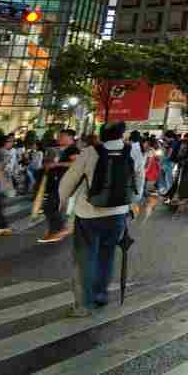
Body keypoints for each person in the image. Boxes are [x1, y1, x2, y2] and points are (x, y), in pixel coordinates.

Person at [56, 121, 144, 317]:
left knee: (84, 259)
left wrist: (63, 201)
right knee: (107, 255)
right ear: (122, 134)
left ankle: (82, 305)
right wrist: (129, 204)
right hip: (117, 215)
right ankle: (100, 295)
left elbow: (68, 181)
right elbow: (139, 183)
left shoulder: (89, 152)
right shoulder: (133, 152)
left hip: (88, 214)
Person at [39, 129, 79, 243]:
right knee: (50, 206)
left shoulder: (73, 149)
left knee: (49, 206)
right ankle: (56, 230)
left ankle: (58, 230)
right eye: (59, 136)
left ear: (69, 137)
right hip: (57, 183)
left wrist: (56, 164)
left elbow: (76, 164)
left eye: (62, 136)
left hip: (64, 184)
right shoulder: (62, 150)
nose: (59, 138)